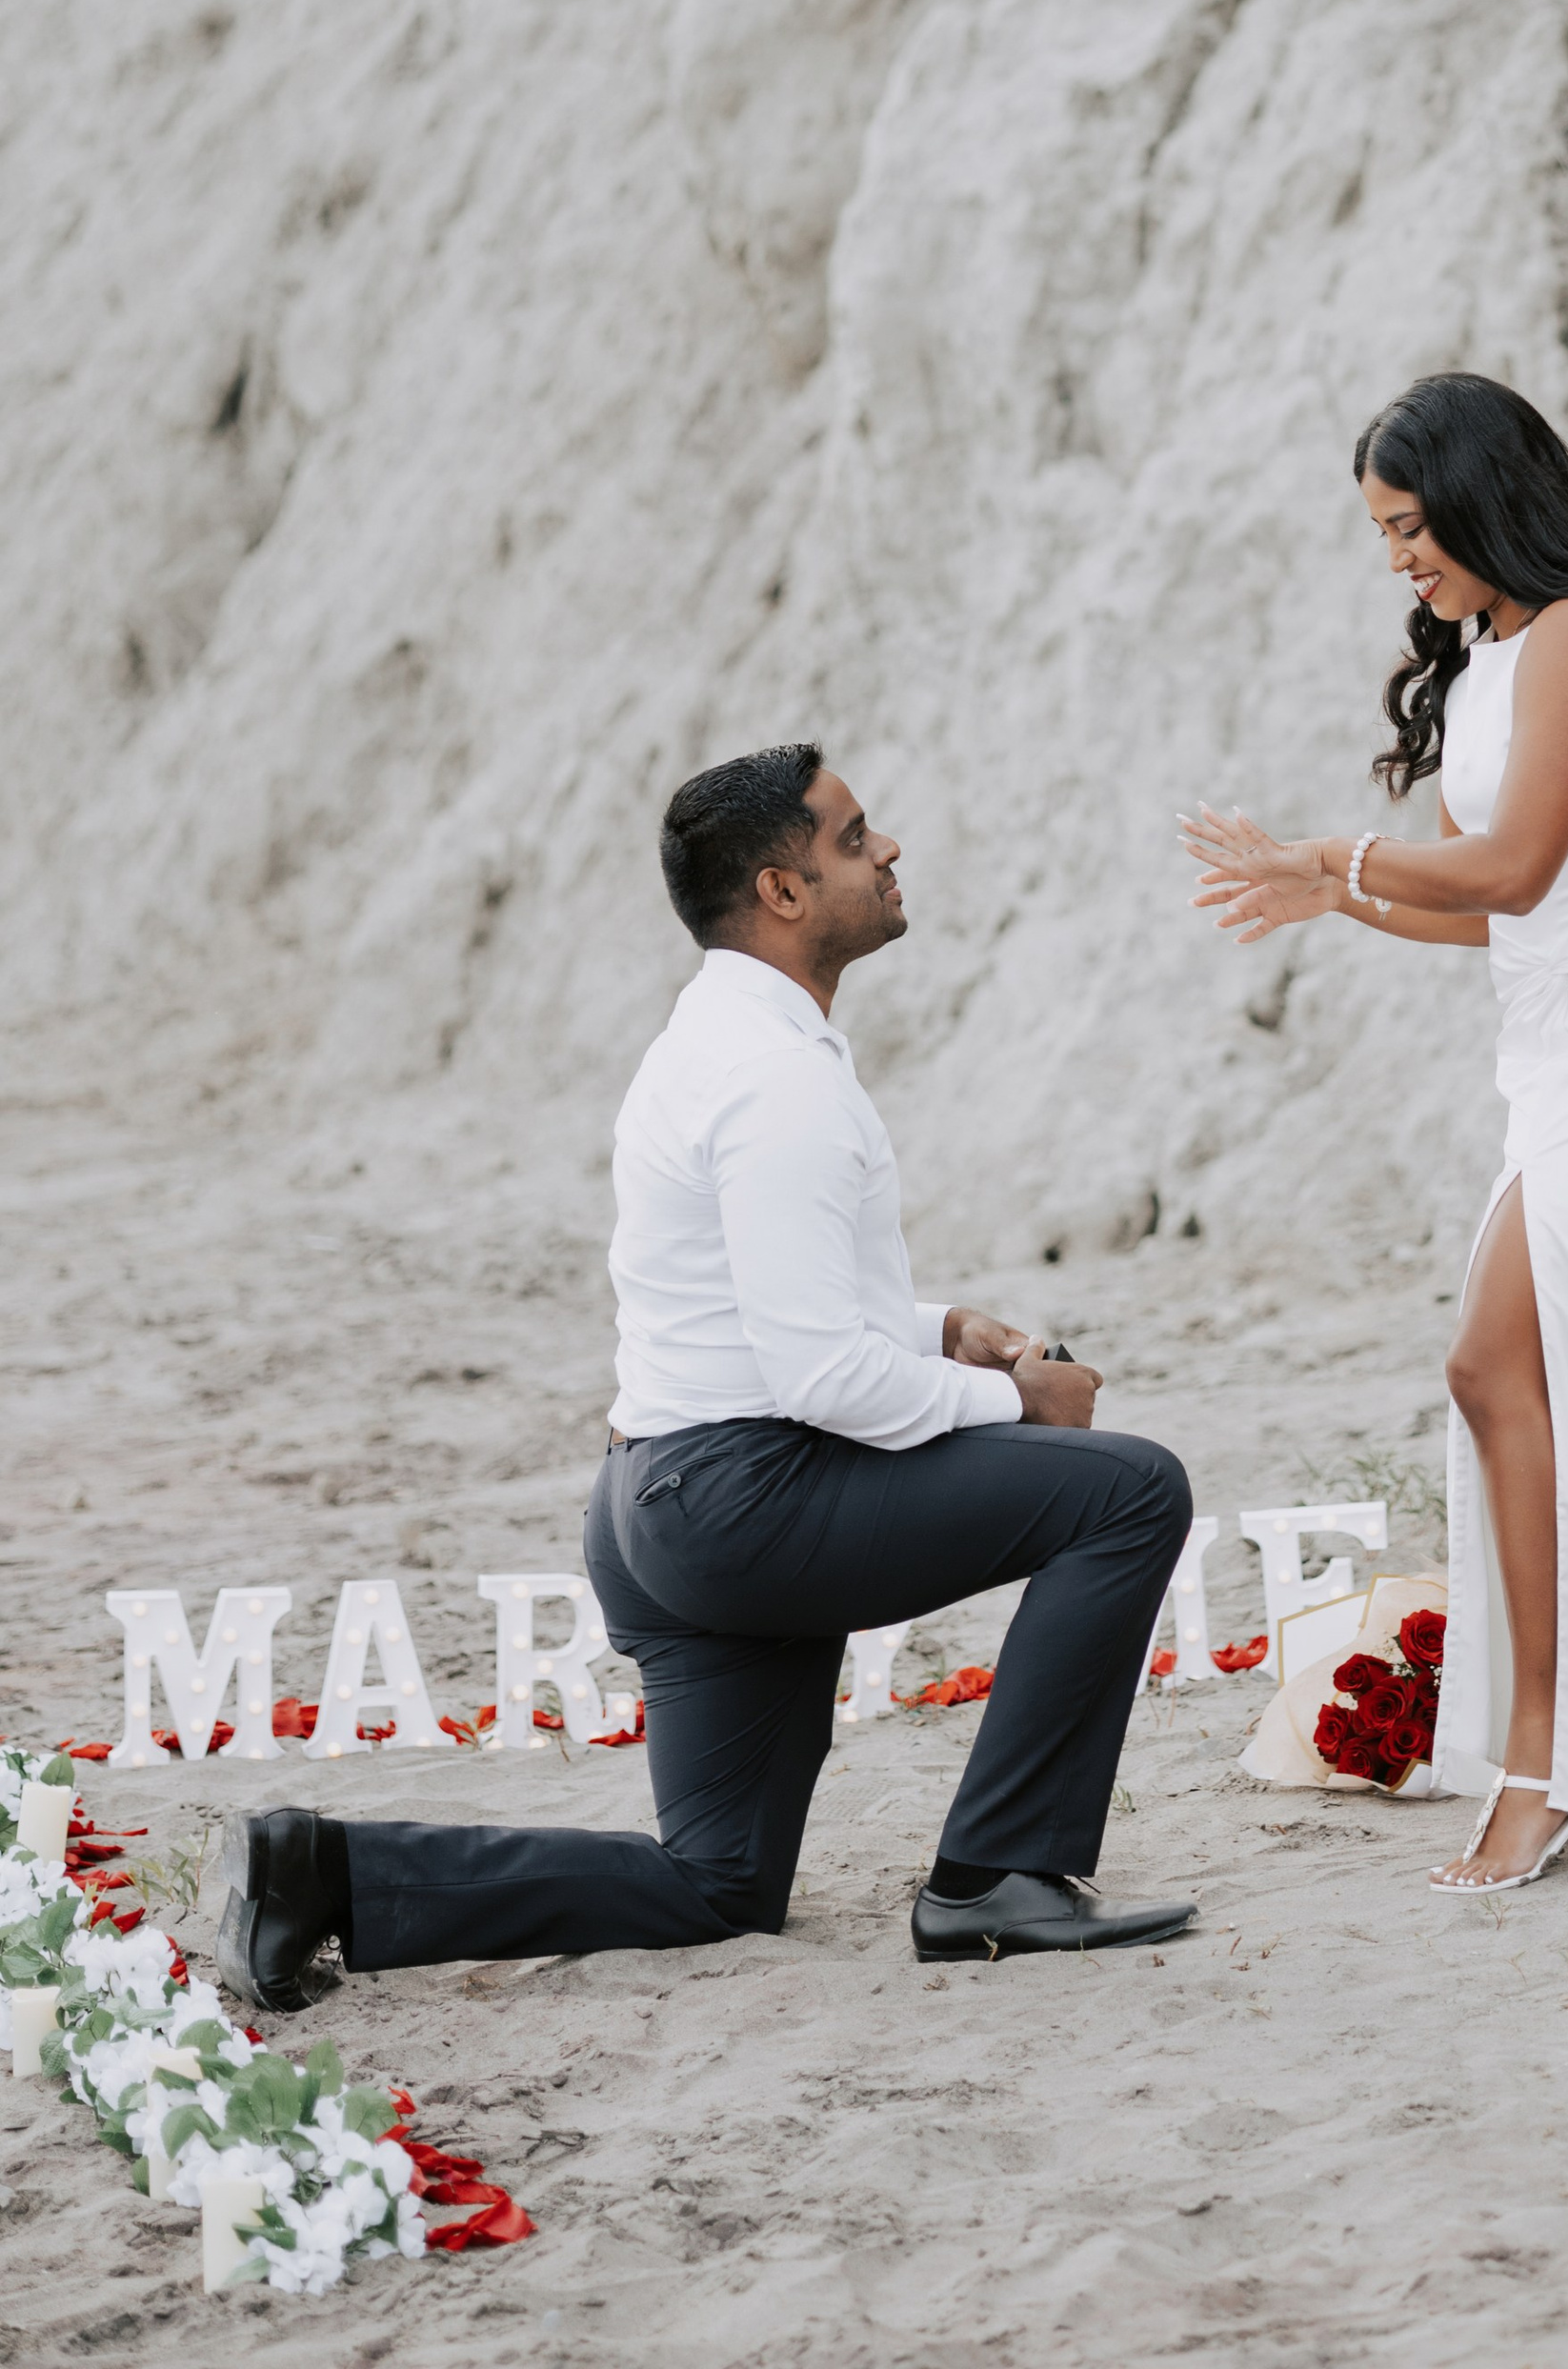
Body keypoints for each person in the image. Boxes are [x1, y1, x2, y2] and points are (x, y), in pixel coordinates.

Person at [219, 743, 1197, 2009]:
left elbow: (763, 1315)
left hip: (656, 1501)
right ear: (784, 891)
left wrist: (937, 1326)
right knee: (1125, 1490)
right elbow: (815, 1375)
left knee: (719, 1882)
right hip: (744, 1501)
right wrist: (1023, 1400)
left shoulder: (719, 1035)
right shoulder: (777, 1078)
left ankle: (326, 1873)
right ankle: (996, 1878)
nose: (889, 850)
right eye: (855, 837)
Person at [1179, 373, 1568, 1892]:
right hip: (1567, 1050)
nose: (1399, 558)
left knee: (1506, 1363)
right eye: (1382, 535)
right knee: (1536, 1376)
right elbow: (1508, 921)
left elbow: (1512, 870)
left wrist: (1342, 848)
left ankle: (1548, 1755)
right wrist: (1347, 898)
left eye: (1409, 526)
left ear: (1478, 496)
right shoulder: (1493, 653)